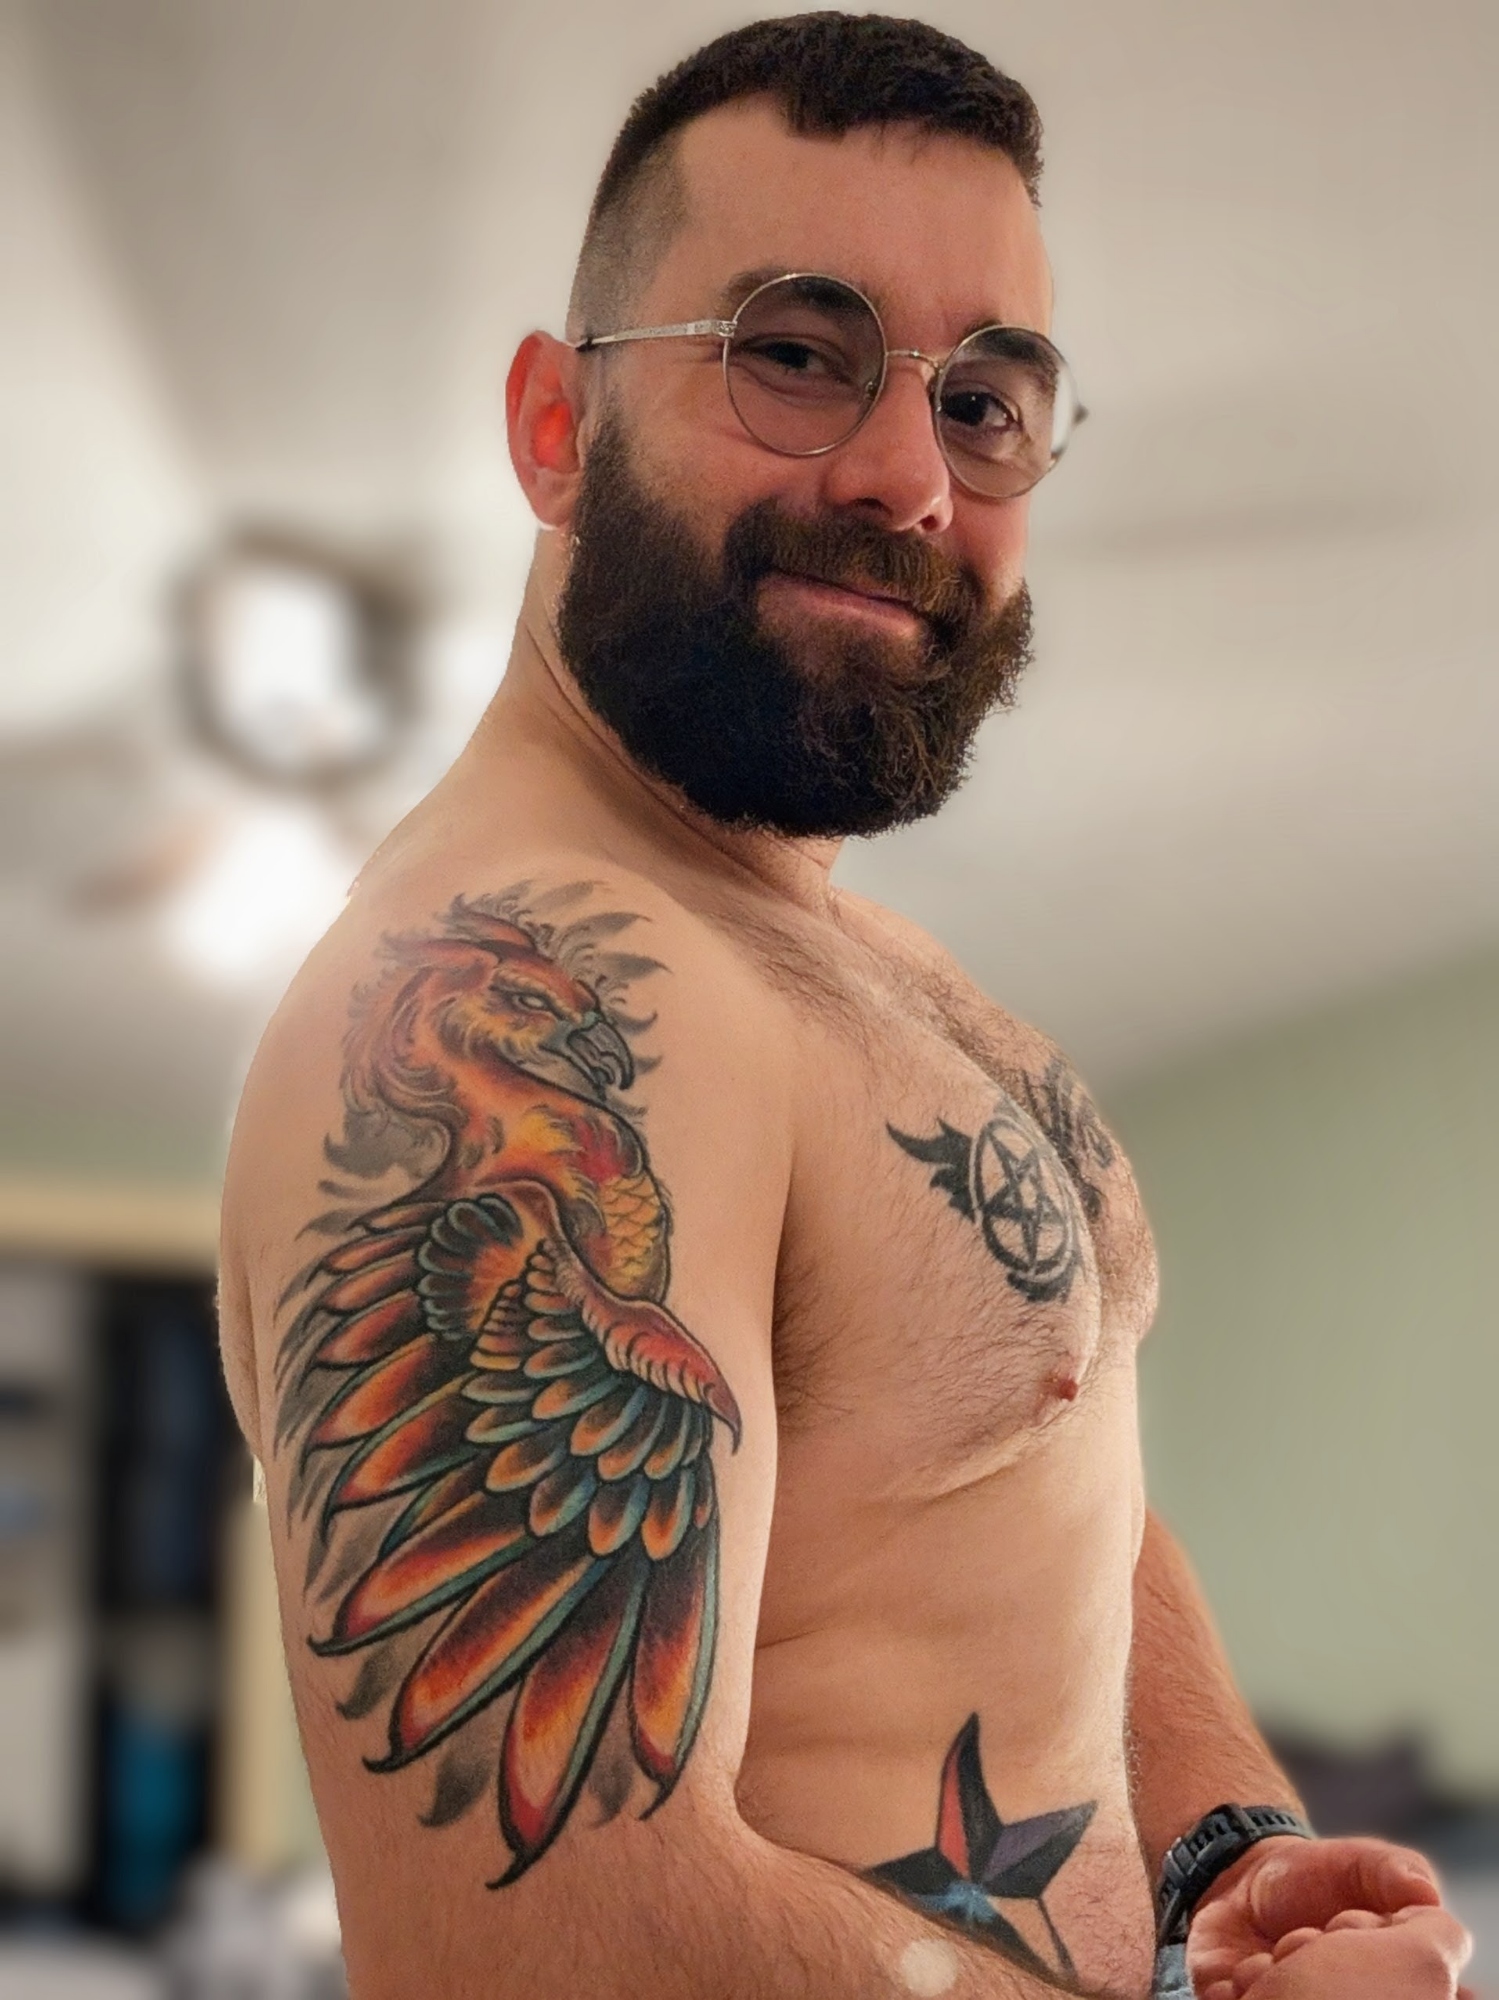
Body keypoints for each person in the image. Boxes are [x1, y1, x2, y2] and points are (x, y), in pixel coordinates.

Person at [218, 16, 1472, 1999]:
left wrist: (1229, 1857)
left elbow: (1052, 1467)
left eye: (986, 403)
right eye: (798, 354)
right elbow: (535, 1956)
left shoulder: (863, 974)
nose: (907, 477)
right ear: (555, 427)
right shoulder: (502, 989)